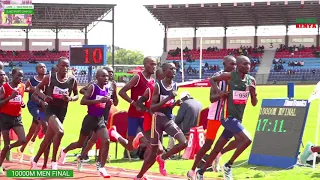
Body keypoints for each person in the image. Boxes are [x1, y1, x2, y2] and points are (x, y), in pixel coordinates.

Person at [195, 55, 258, 180]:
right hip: (227, 117)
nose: (247, 66)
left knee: (217, 148)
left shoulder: (251, 80)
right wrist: (219, 92)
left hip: (238, 118)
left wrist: (253, 92)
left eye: (249, 64)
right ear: (238, 66)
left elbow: (254, 103)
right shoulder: (230, 76)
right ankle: (228, 165)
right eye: (244, 64)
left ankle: (200, 172)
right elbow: (212, 79)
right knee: (247, 140)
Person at [134, 63, 187, 179]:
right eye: (171, 69)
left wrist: (175, 104)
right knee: (154, 152)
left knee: (184, 143)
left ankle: (163, 158)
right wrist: (168, 98)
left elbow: (169, 106)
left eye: (175, 69)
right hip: (156, 120)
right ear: (164, 71)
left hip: (168, 120)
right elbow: (153, 108)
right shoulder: (157, 86)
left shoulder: (175, 85)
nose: (174, 70)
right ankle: (139, 176)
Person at [187, 56, 236, 179]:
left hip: (229, 115)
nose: (234, 66)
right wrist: (221, 95)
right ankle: (192, 170)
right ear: (224, 64)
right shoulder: (218, 76)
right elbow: (211, 98)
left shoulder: (236, 77)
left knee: (241, 138)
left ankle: (219, 153)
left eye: (235, 64)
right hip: (215, 115)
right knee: (208, 144)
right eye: (231, 64)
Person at [58, 69, 112, 178]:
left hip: (100, 119)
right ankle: (64, 150)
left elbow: (104, 104)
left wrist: (108, 103)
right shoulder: (93, 87)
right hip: (89, 119)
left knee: (106, 141)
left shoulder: (107, 88)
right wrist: (98, 101)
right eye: (103, 76)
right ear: (97, 77)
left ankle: (102, 167)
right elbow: (83, 101)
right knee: (80, 144)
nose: (106, 78)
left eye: (107, 76)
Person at [31, 57, 79, 170]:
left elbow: (77, 95)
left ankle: (35, 159)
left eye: (67, 66)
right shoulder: (50, 78)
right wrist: (44, 97)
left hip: (62, 111)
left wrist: (70, 98)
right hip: (50, 110)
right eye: (62, 65)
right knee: (60, 131)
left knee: (48, 138)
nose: (65, 68)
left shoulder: (72, 80)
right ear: (57, 67)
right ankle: (53, 162)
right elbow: (37, 90)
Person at [115, 57, 157, 158]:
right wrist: (134, 103)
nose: (154, 67)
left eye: (155, 64)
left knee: (151, 142)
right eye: (151, 64)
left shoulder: (153, 81)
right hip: (133, 116)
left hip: (145, 116)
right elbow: (121, 92)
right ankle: (114, 134)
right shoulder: (138, 77)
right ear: (145, 65)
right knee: (130, 147)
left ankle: (149, 160)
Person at [17, 63, 46, 162]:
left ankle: (21, 149)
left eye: (44, 67)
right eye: (41, 67)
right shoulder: (32, 79)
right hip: (33, 105)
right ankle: (33, 141)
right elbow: (24, 88)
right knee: (40, 120)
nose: (43, 68)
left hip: (42, 106)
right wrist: (32, 90)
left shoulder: (47, 79)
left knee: (32, 129)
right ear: (37, 69)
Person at [0, 68, 26, 174]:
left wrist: (22, 103)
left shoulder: (22, 86)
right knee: (6, 142)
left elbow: (20, 98)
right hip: (5, 118)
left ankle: (9, 148)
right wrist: (10, 97)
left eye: (21, 76)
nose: (20, 78)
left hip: (17, 118)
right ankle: (0, 165)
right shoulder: (4, 88)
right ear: (12, 75)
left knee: (23, 140)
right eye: (18, 76)